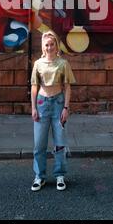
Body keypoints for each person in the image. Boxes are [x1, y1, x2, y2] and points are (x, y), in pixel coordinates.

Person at [31, 31, 75, 191]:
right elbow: (34, 86)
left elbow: (67, 87)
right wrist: (33, 108)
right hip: (42, 103)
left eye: (52, 44)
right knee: (39, 144)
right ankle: (39, 176)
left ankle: (60, 175)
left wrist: (66, 108)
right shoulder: (38, 64)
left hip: (58, 103)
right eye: (47, 45)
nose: (49, 47)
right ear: (43, 47)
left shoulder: (63, 63)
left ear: (56, 45)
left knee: (60, 143)